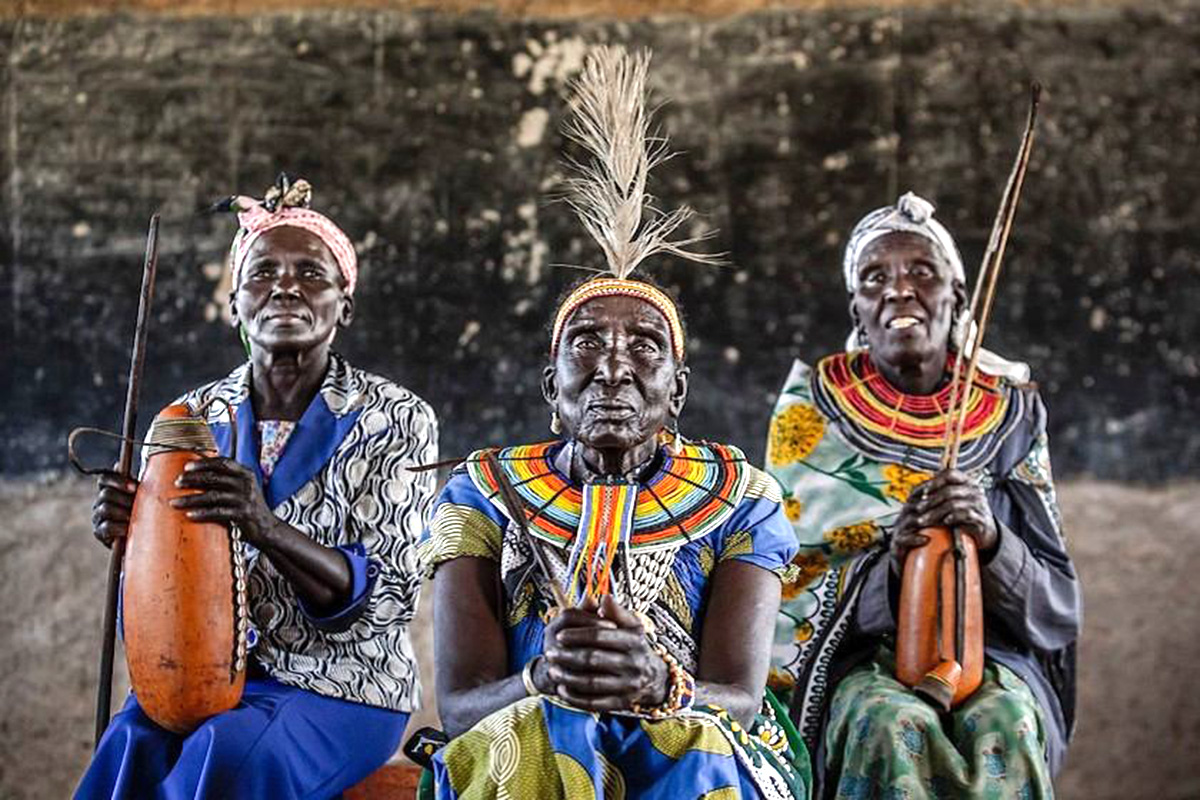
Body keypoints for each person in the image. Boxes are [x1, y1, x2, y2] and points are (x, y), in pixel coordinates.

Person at [418, 46, 810, 800]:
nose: (613, 366)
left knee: (690, 738)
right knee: (536, 729)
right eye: (586, 343)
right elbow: (462, 708)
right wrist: (539, 677)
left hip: (694, 744)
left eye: (645, 347)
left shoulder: (742, 497)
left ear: (678, 389)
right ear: (550, 384)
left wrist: (660, 681)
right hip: (523, 742)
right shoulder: (481, 494)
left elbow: (741, 695)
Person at [76, 175, 438, 799]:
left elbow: (389, 599)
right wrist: (132, 542)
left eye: (312, 274)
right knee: (128, 747)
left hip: (342, 685)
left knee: (230, 756)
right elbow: (164, 600)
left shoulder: (397, 416)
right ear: (236, 304)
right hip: (198, 676)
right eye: (263, 273)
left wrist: (262, 524)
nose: (286, 287)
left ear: (344, 306)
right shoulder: (191, 417)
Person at [764, 192, 1080, 799]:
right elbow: (787, 587)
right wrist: (889, 567)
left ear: (957, 300)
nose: (899, 290)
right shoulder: (812, 411)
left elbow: (1059, 606)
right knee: (886, 720)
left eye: (923, 273)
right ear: (857, 310)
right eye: (874, 277)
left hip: (994, 655)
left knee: (1005, 724)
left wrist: (991, 541)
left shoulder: (1012, 412)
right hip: (855, 660)